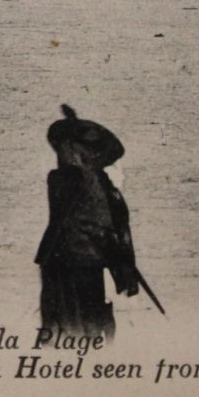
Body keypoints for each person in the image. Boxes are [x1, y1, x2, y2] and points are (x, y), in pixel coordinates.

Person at [35, 105, 139, 342]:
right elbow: (115, 227)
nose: (60, 154)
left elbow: (108, 225)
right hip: (82, 256)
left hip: (72, 257)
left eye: (64, 149)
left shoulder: (67, 180)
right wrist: (122, 267)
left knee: (69, 318)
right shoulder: (97, 183)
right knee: (80, 316)